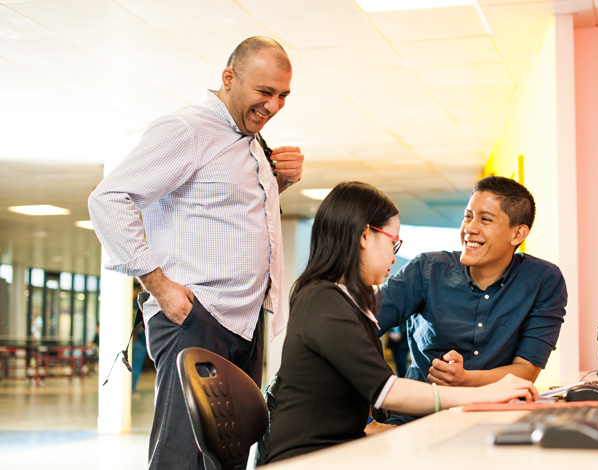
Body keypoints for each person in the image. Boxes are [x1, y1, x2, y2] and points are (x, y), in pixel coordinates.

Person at [88, 36, 304, 469]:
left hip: (244, 323)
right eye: (265, 92)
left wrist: (281, 183)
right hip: (197, 317)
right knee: (181, 460)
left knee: (226, 459)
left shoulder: (251, 141)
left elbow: (232, 214)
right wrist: (159, 285)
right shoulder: (187, 129)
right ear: (229, 78)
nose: (274, 105)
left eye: (283, 95)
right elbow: (108, 199)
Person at [263, 181, 538, 464]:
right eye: (392, 242)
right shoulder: (324, 300)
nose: (395, 256)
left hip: (343, 451)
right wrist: (488, 394)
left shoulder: (340, 300)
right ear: (365, 236)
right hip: (309, 460)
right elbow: (386, 390)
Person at [376, 175, 568, 425]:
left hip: (496, 418)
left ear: (517, 234)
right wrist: (373, 398)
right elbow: (356, 326)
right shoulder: (426, 269)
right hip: (419, 418)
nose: (469, 228)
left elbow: (526, 370)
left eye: (485, 219)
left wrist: (465, 379)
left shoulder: (544, 280)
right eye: (468, 216)